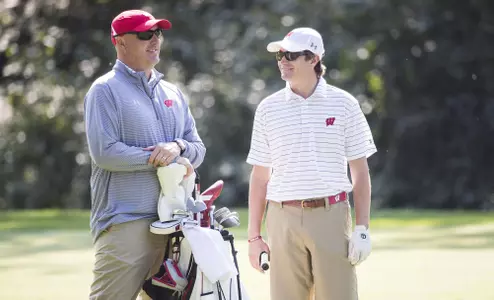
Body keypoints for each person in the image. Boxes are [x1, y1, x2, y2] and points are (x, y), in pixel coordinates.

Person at [246, 27, 377, 300]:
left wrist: (362, 228)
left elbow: (360, 170)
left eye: (291, 54)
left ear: (314, 58)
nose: (283, 61)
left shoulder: (345, 104)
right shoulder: (268, 108)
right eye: (281, 55)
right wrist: (254, 237)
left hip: (331, 215)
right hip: (282, 219)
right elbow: (259, 177)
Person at [84, 9, 206, 300]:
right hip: (126, 224)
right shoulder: (104, 90)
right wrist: (166, 159)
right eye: (144, 35)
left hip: (175, 229)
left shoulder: (173, 92)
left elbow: (197, 148)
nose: (155, 40)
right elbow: (105, 153)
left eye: (158, 33)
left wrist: (177, 147)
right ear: (120, 42)